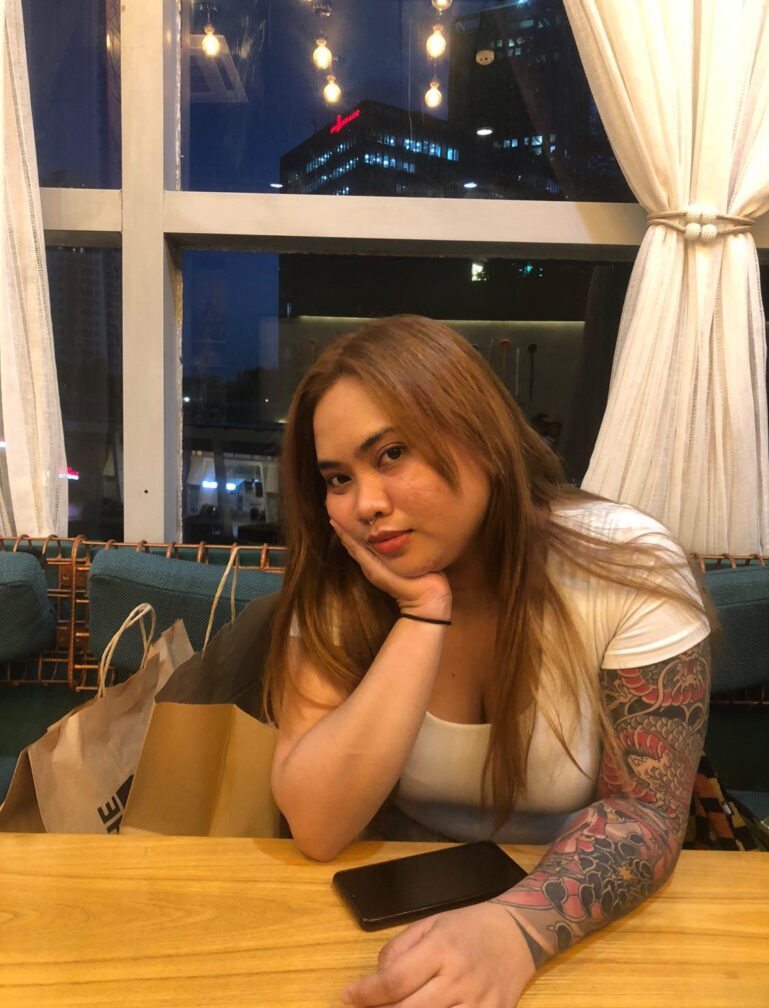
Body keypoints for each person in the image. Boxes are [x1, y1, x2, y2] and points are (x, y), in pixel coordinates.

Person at [263, 315, 712, 1007]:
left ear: (480, 437)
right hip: (382, 908)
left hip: (581, 919)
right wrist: (422, 613)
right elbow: (318, 827)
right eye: (337, 478)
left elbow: (644, 813)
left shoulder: (627, 565)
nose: (365, 505)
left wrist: (513, 929)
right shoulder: (342, 589)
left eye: (391, 454)